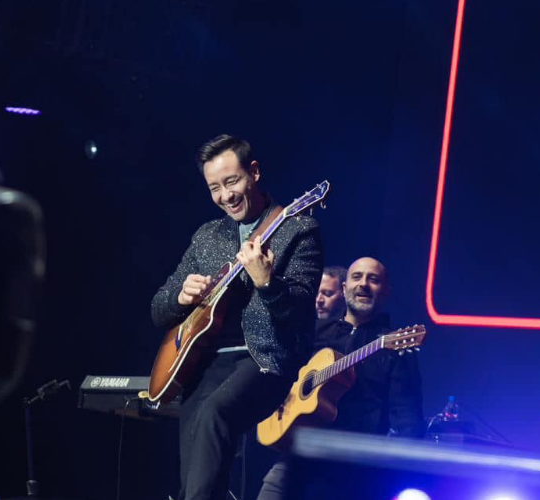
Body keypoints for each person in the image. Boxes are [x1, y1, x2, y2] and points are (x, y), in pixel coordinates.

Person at [151, 134, 323, 500]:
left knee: (216, 412)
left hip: (265, 360)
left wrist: (267, 282)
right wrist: (181, 297)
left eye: (232, 182)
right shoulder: (207, 237)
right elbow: (158, 309)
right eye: (214, 188)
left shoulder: (297, 228)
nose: (225, 196)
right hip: (206, 363)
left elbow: (299, 312)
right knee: (192, 468)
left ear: (254, 173)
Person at [256, 256, 424, 500]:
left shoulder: (395, 347)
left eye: (373, 279)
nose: (363, 284)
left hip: (354, 470)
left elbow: (409, 420)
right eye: (357, 277)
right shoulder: (315, 332)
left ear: (385, 292)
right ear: (344, 288)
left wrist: (397, 474)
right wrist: (279, 397)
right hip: (298, 456)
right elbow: (276, 371)